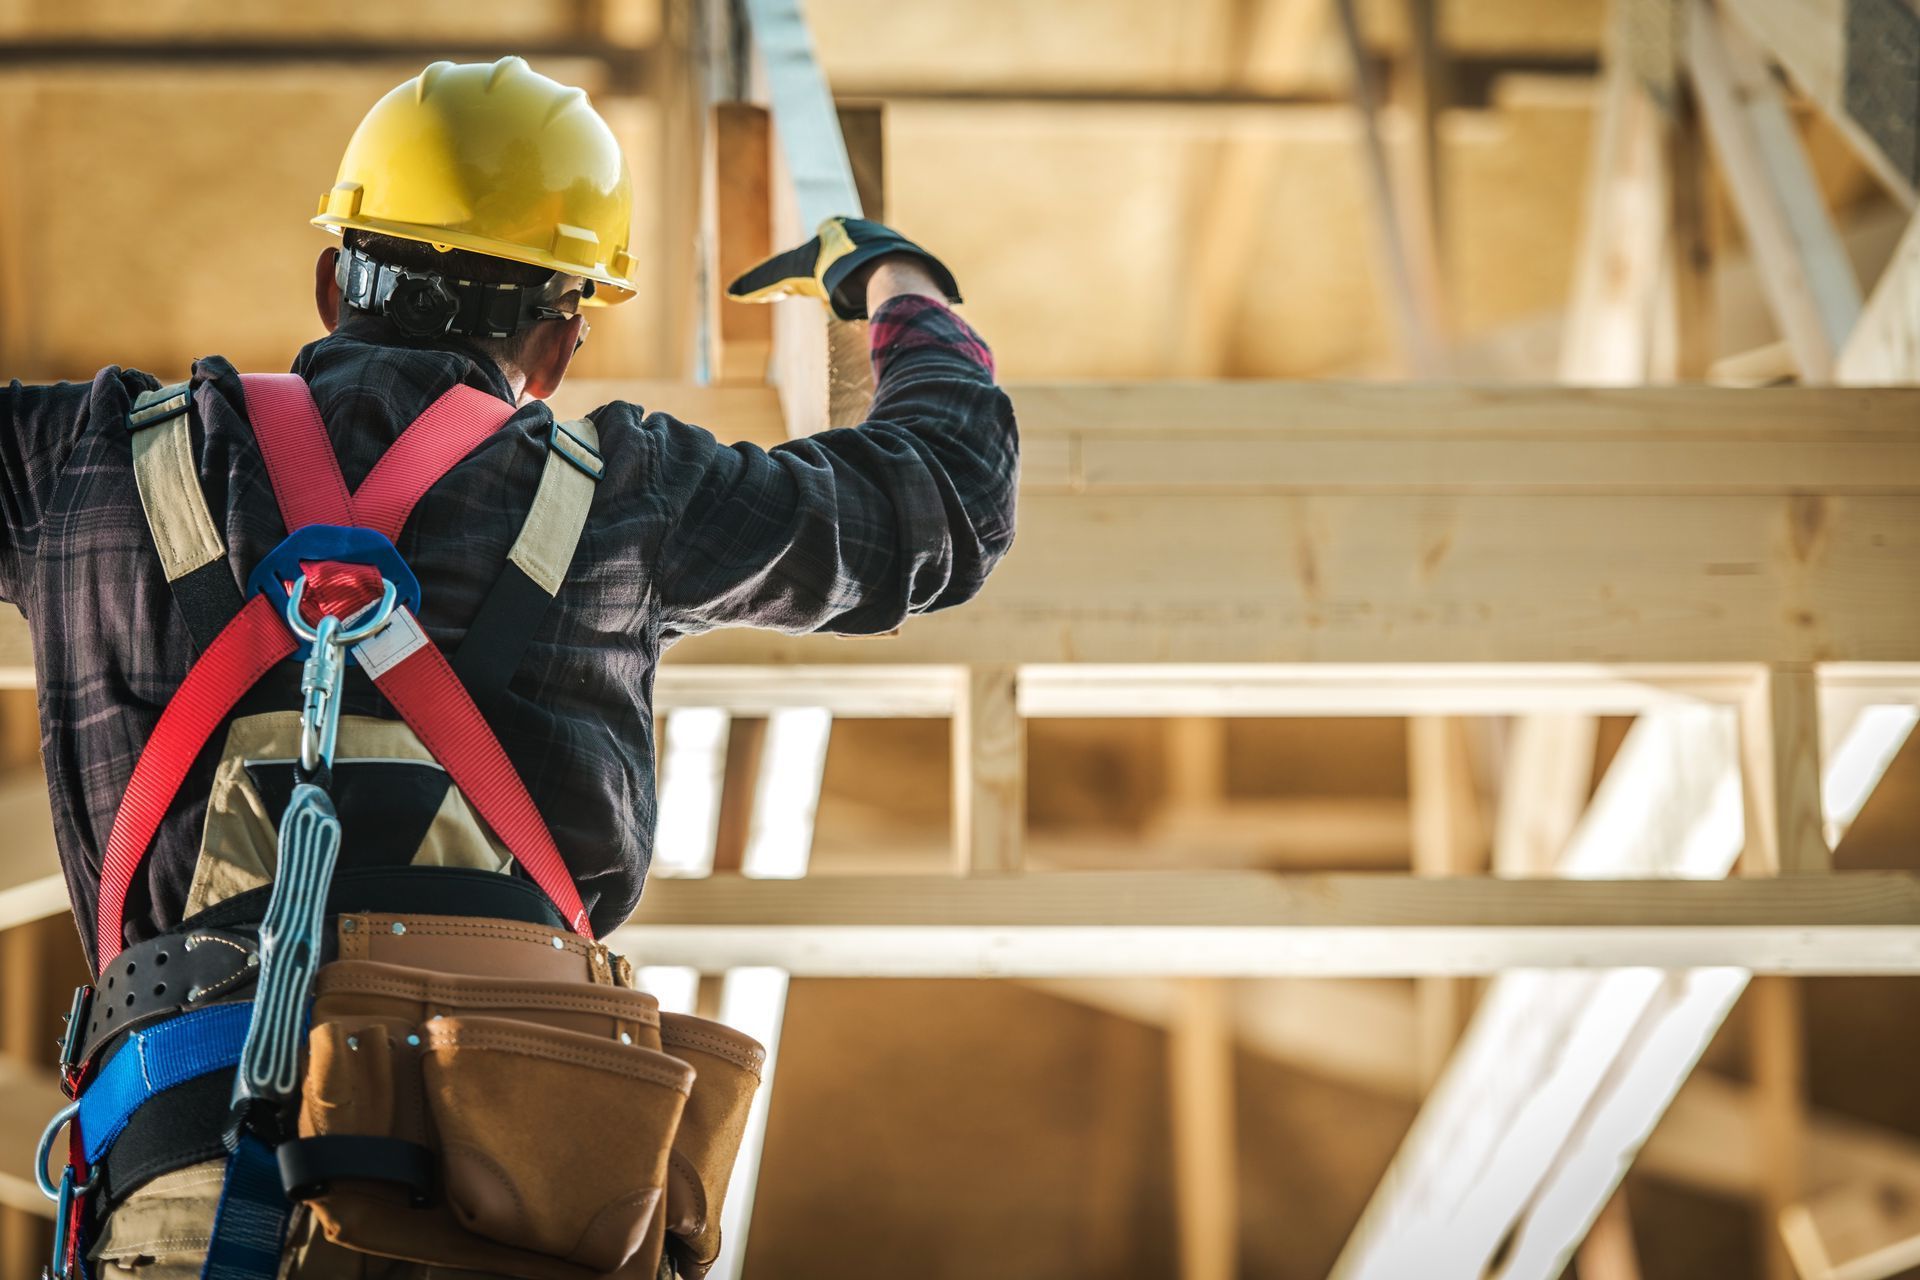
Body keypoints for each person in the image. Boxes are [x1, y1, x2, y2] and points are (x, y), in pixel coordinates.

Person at [7, 57, 1017, 1279]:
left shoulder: (91, 460)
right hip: (517, 1196)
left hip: (188, 1179)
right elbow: (943, 498)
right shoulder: (627, 499)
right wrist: (894, 281)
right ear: (561, 337)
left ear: (334, 281)